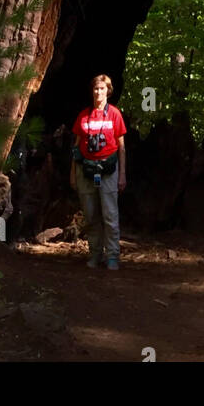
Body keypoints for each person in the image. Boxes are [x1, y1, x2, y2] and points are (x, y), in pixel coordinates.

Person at [71, 74, 127, 271]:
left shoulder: (114, 115)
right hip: (85, 170)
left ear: (108, 91)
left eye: (102, 89)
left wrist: (122, 174)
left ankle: (112, 256)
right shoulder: (83, 116)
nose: (98, 92)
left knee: (110, 215)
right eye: (96, 88)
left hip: (109, 171)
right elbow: (76, 148)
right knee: (91, 215)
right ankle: (95, 254)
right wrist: (73, 174)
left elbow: (121, 148)